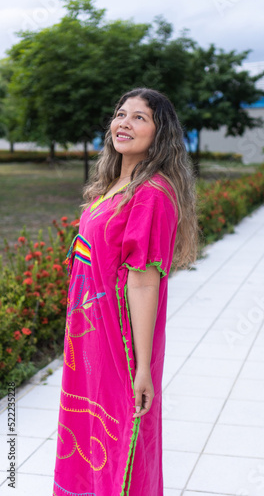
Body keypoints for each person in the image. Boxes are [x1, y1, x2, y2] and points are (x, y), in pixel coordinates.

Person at [53, 88, 198, 496]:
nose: (124, 123)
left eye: (139, 118)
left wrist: (142, 366)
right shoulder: (114, 185)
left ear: (160, 133)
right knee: (89, 432)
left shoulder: (152, 194)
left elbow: (143, 281)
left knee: (121, 438)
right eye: (121, 114)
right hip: (90, 339)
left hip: (119, 343)